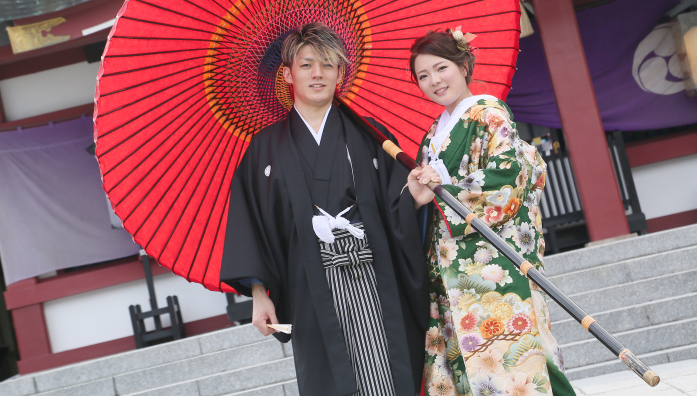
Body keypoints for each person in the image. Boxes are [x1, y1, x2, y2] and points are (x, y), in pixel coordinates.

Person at [221, 23, 428, 396]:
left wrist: (412, 196)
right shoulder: (264, 149)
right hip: (310, 286)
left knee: (389, 374)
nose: (318, 74)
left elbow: (398, 207)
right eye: (306, 65)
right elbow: (251, 224)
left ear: (340, 73)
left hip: (376, 277)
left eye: (328, 65)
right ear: (287, 74)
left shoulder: (371, 135)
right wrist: (258, 294)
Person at [405, 28, 576, 396]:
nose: (434, 81)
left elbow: (508, 178)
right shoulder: (432, 135)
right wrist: (418, 194)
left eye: (441, 68)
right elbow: (427, 201)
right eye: (423, 76)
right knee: (469, 373)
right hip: (448, 274)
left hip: (492, 268)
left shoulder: (489, 113)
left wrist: (443, 189)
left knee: (518, 368)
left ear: (464, 65)